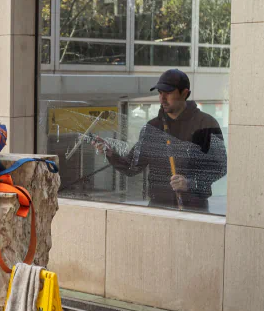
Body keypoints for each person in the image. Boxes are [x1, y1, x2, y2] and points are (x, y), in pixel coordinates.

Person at [90, 69, 226, 211]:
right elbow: (131, 167)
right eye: (160, 93)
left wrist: (190, 184)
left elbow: (220, 167)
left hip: (195, 210)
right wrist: (110, 153)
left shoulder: (206, 124)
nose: (162, 99)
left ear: (184, 93)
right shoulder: (152, 128)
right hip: (158, 209)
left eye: (168, 93)